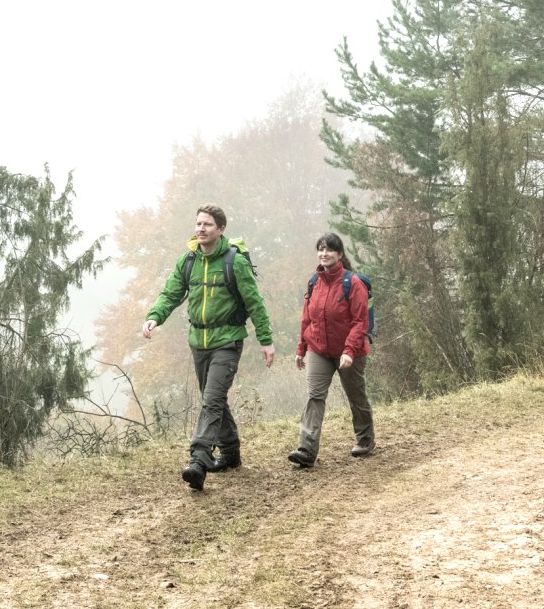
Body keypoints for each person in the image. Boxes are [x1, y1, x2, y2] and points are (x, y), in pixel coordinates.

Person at [142, 203, 275, 490]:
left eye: (208, 225)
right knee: (212, 399)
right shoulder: (188, 261)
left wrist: (266, 341)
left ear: (221, 229)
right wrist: (155, 317)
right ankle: (230, 452)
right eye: (198, 224)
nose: (201, 229)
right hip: (198, 342)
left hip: (227, 341)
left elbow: (255, 302)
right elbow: (171, 293)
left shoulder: (234, 262)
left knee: (212, 400)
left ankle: (199, 459)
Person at [288, 232, 374, 468]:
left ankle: (365, 439)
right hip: (319, 349)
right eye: (321, 249)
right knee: (314, 397)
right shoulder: (314, 282)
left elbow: (360, 322)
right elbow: (307, 318)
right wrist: (301, 348)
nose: (324, 253)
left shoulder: (352, 283)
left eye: (329, 250)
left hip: (350, 352)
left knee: (356, 396)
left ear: (339, 254)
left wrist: (348, 350)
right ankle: (306, 449)